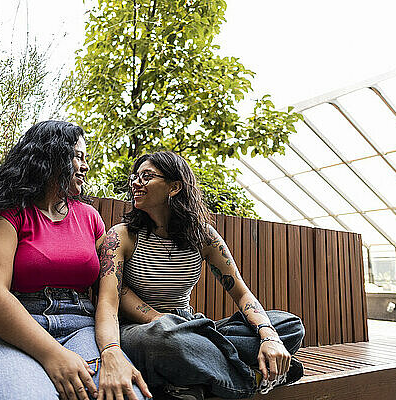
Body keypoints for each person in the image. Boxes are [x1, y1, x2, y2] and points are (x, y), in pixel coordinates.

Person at [0, 121, 151, 400]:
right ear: (51, 156)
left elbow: (111, 289)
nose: (85, 166)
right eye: (78, 156)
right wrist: (53, 354)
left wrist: (148, 324)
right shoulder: (6, 213)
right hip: (6, 332)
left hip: (82, 329)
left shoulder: (89, 217)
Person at [98, 151, 305, 400]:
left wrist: (269, 336)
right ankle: (252, 379)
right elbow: (112, 298)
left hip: (194, 326)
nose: (135, 183)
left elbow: (240, 291)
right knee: (165, 340)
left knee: (289, 325)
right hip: (145, 330)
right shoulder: (121, 236)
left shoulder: (203, 236)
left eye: (146, 176)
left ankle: (194, 377)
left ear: (174, 187)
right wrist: (165, 322)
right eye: (135, 176)